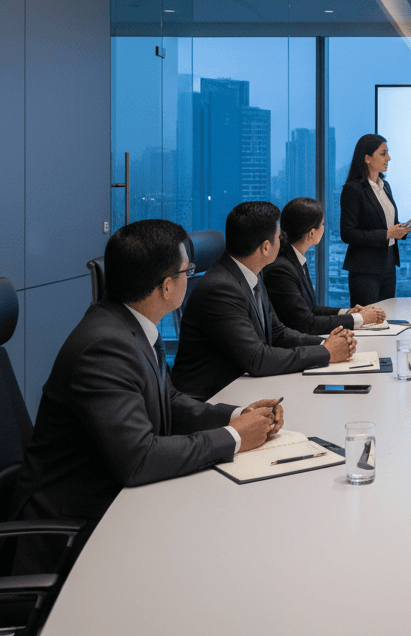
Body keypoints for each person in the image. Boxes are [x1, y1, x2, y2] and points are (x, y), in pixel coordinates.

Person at [10, 219, 283, 574]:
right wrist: (234, 437)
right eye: (188, 271)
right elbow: (139, 458)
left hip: (116, 499)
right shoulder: (104, 347)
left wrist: (235, 416)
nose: (190, 277)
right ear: (167, 286)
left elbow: (168, 401)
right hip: (73, 531)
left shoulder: (131, 325)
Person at [171, 202, 356, 401]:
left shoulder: (251, 273)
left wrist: (327, 343)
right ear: (266, 247)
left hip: (242, 384)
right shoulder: (221, 288)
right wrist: (325, 352)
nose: (282, 242)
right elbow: (258, 359)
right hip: (211, 399)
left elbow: (277, 332)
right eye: (279, 237)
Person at [264, 197, 387, 335]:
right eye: (322, 224)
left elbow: (311, 309)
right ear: (312, 232)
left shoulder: (294, 259)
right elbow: (306, 324)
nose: (324, 228)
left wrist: (347, 313)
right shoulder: (281, 269)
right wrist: (360, 318)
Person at [338, 134, 410, 304]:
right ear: (367, 158)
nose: (388, 158)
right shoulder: (353, 189)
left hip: (389, 264)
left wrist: (401, 228)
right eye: (383, 154)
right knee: (368, 317)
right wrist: (387, 234)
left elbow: (387, 222)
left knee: (388, 314)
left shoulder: (385, 186)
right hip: (365, 269)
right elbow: (348, 233)